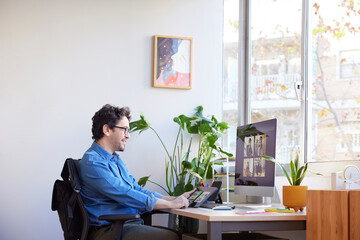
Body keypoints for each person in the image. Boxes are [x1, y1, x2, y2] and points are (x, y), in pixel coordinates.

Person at [78, 104, 193, 240]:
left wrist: (174, 198)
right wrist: (170, 205)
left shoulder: (115, 160)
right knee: (172, 237)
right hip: (109, 230)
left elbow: (137, 190)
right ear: (107, 129)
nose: (128, 136)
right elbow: (125, 194)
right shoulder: (93, 162)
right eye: (124, 130)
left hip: (127, 225)